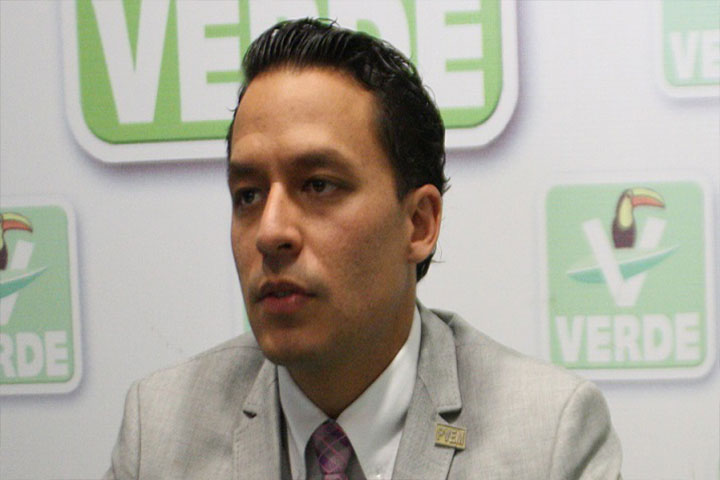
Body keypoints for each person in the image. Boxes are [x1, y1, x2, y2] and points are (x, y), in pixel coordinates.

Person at [104, 18, 622, 480]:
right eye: (249, 195)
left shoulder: (547, 437)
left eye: (318, 185)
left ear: (418, 224)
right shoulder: (162, 428)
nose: (270, 231)